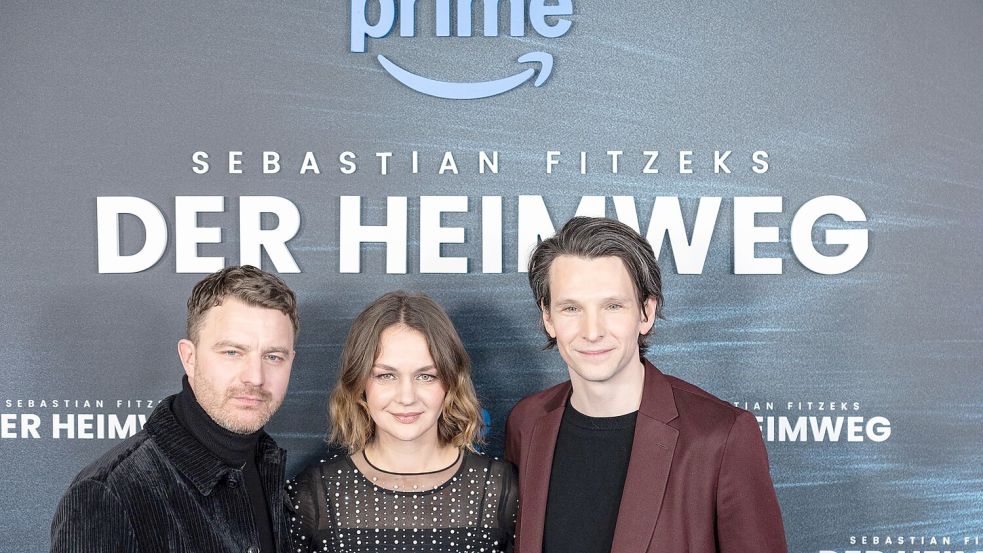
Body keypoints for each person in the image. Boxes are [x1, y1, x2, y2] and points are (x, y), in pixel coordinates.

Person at [505, 216, 788, 553]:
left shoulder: (721, 435)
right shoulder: (527, 423)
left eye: (612, 306)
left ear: (646, 312)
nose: (592, 331)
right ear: (548, 318)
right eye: (571, 308)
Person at [51, 265, 300, 553]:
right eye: (232, 352)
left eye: (273, 356)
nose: (255, 377)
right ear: (189, 358)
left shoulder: (263, 464)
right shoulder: (110, 494)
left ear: (291, 361)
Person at [287, 291, 518, 553]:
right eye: (386, 375)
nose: (406, 397)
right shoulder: (312, 493)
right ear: (360, 382)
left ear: (451, 382)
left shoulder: (501, 488)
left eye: (426, 376)